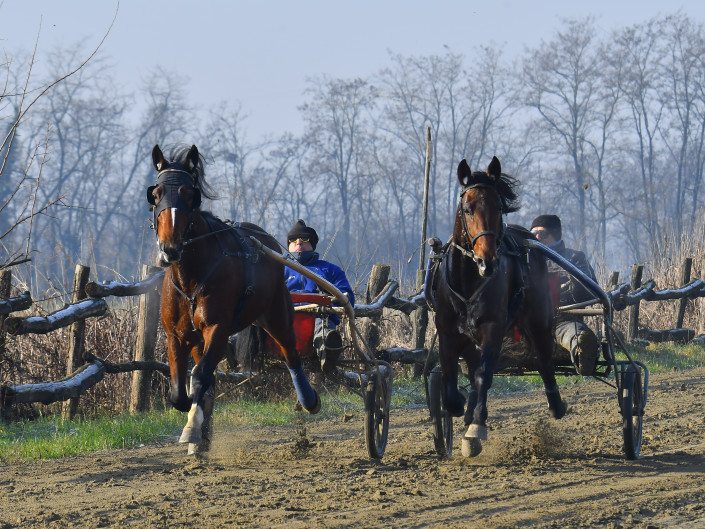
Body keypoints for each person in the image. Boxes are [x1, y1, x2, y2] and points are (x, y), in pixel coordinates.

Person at [530, 214, 599, 376]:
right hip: (526, 319)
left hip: (563, 317)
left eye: (543, 234)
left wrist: (572, 283)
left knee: (573, 333)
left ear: (555, 235)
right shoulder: (523, 258)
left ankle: (582, 350)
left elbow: (590, 292)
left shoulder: (574, 258)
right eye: (533, 234)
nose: (537, 238)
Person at [284, 219, 355, 373]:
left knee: (322, 322)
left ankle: (328, 354)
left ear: (313, 244)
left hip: (318, 317)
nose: (298, 242)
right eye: (293, 239)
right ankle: (232, 347)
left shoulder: (329, 270)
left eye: (304, 239)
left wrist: (331, 301)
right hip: (283, 318)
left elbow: (347, 297)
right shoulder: (278, 269)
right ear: (288, 244)